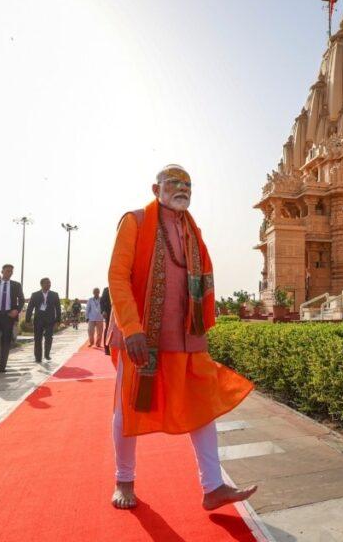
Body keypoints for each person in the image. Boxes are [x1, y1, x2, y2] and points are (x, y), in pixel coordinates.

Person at [106, 164, 256, 511]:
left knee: (201, 405)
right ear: (155, 188)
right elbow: (117, 275)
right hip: (141, 334)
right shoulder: (136, 221)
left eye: (187, 184)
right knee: (127, 407)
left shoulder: (192, 230)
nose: (181, 188)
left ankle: (213, 486)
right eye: (173, 182)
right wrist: (131, 328)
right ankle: (123, 479)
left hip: (186, 335)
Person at [0, 264, 25, 373]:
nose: (9, 273)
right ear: (2, 271)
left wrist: (17, 310)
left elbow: (21, 300)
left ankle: (3, 366)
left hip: (8, 316)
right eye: (7, 271)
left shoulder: (16, 285)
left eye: (11, 271)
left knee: (6, 341)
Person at [26, 278, 62, 363]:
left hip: (50, 320)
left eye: (50, 283)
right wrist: (28, 320)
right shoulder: (35, 295)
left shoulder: (54, 294)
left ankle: (47, 354)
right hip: (38, 320)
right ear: (41, 284)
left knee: (49, 337)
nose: (49, 285)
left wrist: (58, 320)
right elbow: (30, 307)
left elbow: (58, 308)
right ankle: (38, 357)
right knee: (38, 339)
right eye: (47, 283)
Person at [101, 286, 112, 355]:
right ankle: (107, 349)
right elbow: (102, 301)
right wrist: (103, 311)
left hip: (120, 312)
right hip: (109, 312)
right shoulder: (107, 289)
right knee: (108, 329)